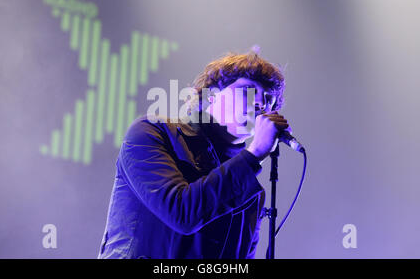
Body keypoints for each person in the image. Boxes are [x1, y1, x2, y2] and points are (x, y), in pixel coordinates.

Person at [98, 50, 289, 259]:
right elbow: (181, 213)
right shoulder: (153, 131)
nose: (260, 103)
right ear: (212, 95)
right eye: (248, 91)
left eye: (269, 100)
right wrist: (255, 155)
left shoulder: (251, 189)